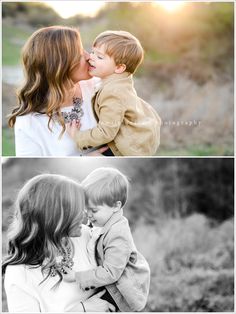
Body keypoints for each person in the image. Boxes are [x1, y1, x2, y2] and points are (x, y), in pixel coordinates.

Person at [2, 174, 116, 312]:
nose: (84, 214)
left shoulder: (87, 236)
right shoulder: (20, 273)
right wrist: (82, 310)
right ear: (54, 215)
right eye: (77, 208)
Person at [7, 26, 107, 157]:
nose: (89, 56)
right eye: (80, 53)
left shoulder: (98, 86)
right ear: (59, 65)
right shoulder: (29, 123)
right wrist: (87, 159)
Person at [63, 167, 150, 312]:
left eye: (94, 210)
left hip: (120, 293)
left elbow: (111, 273)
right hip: (109, 285)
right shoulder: (102, 223)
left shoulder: (118, 233)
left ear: (116, 206)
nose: (88, 215)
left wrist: (76, 277)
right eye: (86, 210)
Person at [66, 30, 161, 156]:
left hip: (123, 150)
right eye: (93, 52)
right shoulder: (120, 82)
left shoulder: (113, 93)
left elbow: (106, 132)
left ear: (119, 68)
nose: (90, 57)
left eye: (99, 56)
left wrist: (78, 137)